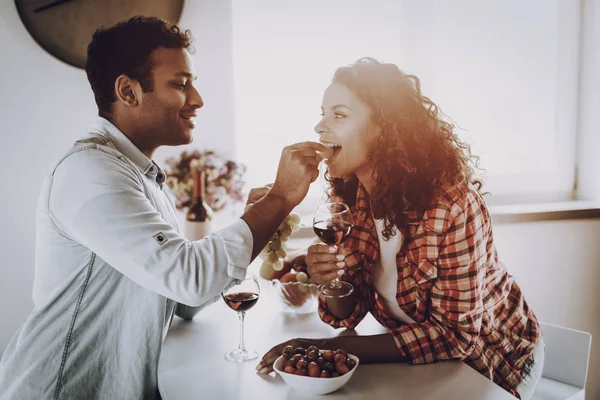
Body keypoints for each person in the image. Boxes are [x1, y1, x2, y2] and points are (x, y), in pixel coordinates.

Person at [0, 16, 327, 400]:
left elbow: (179, 298)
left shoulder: (138, 173)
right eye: (180, 84)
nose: (197, 99)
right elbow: (189, 280)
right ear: (128, 91)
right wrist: (280, 198)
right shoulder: (91, 171)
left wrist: (261, 218)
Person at [256, 58, 544, 399]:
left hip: (493, 362)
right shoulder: (350, 195)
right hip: (424, 361)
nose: (320, 127)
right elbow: (349, 315)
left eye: (339, 114)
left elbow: (456, 336)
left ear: (384, 127)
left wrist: (317, 347)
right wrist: (333, 282)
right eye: (322, 113)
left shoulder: (453, 205)